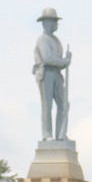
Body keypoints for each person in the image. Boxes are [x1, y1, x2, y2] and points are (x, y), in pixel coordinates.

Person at [33, 8, 71, 141]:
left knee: (64, 104)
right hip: (46, 73)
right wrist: (64, 62)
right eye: (53, 21)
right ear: (46, 23)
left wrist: (64, 61)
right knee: (47, 105)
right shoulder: (42, 40)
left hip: (57, 74)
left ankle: (61, 134)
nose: (56, 24)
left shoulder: (56, 40)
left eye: (56, 21)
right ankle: (47, 134)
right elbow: (48, 58)